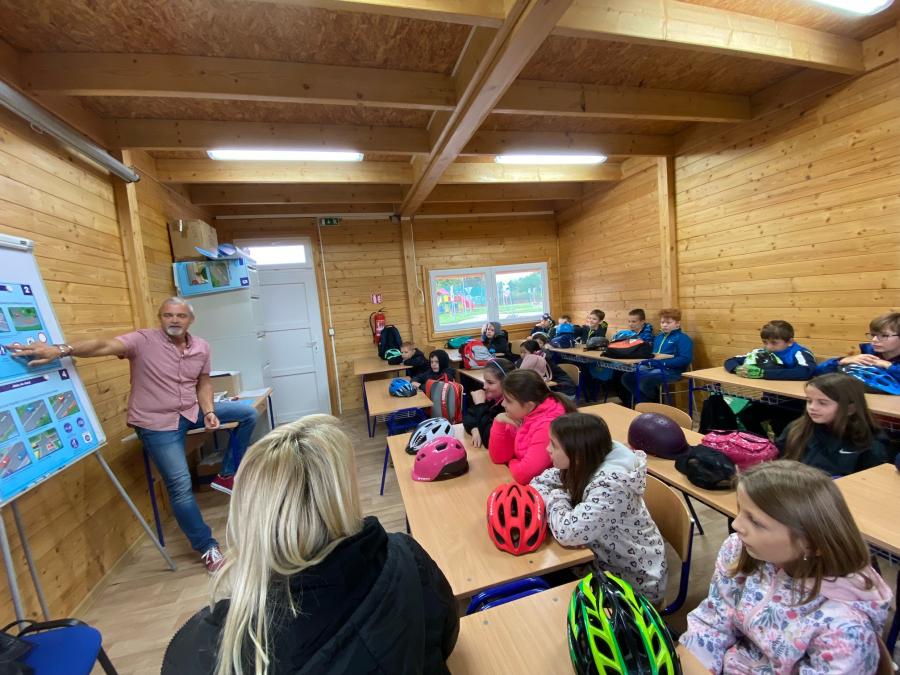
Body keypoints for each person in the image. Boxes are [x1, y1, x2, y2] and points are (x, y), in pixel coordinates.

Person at [162, 415, 458, 675]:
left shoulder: (203, 652)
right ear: (340, 496)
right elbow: (446, 636)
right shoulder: (406, 555)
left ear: (249, 513)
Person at [8, 297, 258, 572]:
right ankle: (207, 546)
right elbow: (104, 345)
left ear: (191, 320)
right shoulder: (142, 341)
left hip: (189, 411)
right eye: (168, 315)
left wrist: (208, 411)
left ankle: (227, 473)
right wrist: (61, 350)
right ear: (160, 317)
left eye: (180, 316)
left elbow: (204, 383)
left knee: (247, 414)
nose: (174, 320)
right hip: (156, 422)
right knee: (180, 485)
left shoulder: (201, 347)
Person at [680, 460, 892, 674]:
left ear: (811, 544)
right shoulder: (740, 550)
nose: (736, 524)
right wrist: (694, 662)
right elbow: (713, 621)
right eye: (741, 510)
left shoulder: (844, 630)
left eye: (756, 522)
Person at [530, 413, 667, 604]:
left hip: (633, 581)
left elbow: (568, 532)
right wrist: (566, 511)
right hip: (600, 560)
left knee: (542, 587)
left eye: (554, 445)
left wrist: (557, 496)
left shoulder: (612, 486)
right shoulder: (583, 462)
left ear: (578, 454)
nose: (548, 449)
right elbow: (537, 483)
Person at [776, 373, 889, 476]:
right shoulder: (797, 427)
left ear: (850, 409)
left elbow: (869, 482)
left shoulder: (870, 443)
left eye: (822, 403)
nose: (812, 407)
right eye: (809, 401)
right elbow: (779, 461)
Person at [488, 369, 575, 484]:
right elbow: (498, 458)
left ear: (529, 405)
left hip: (549, 487)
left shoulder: (547, 426)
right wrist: (499, 421)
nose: (503, 404)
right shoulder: (524, 413)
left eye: (508, 401)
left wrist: (512, 462)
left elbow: (524, 476)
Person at [621, 308, 693, 406]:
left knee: (645, 381)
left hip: (673, 371)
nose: (664, 325)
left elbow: (685, 359)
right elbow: (652, 354)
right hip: (653, 368)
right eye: (662, 322)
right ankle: (646, 403)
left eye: (668, 322)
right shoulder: (658, 337)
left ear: (677, 324)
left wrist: (662, 363)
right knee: (627, 377)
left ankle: (652, 405)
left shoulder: (683, 338)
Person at [815, 312, 900, 389]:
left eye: (884, 336)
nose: (874, 340)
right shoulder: (869, 355)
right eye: (873, 335)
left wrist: (888, 365)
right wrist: (840, 361)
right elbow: (817, 372)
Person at [724, 320, 816, 380]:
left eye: (774, 343)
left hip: (792, 398)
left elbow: (806, 372)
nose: (768, 347)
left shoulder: (800, 353)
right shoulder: (763, 352)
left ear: (789, 342)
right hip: (769, 396)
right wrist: (738, 369)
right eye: (765, 342)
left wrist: (764, 373)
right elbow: (731, 360)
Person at [462, 358, 514, 448]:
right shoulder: (492, 398)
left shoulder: (510, 407)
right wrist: (475, 429)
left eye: (490, 382)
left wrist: (480, 405)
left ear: (507, 383)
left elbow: (489, 439)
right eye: (485, 381)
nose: (484, 386)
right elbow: (468, 416)